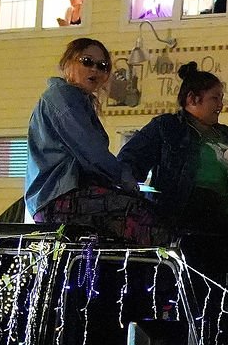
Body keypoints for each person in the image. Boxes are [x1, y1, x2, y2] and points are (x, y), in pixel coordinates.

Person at [23, 37, 165, 241]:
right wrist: (125, 179)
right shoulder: (63, 97)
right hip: (60, 196)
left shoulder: (75, 100)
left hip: (59, 198)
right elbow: (91, 151)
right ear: (69, 62)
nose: (95, 70)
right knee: (143, 216)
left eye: (102, 66)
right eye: (87, 62)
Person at [118, 62, 228, 234]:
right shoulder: (167, 127)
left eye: (221, 98)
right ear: (192, 98)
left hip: (225, 218)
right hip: (181, 217)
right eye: (215, 98)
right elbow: (130, 161)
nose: (221, 105)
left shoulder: (227, 135)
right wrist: (135, 201)